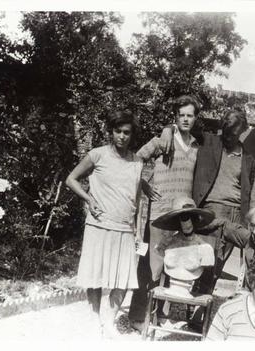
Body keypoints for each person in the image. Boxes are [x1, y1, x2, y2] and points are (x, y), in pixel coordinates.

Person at [65, 110, 143, 332]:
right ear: (111, 132)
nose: (122, 136)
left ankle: (109, 322)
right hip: (99, 225)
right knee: (95, 275)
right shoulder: (97, 155)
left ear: (132, 134)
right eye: (117, 131)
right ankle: (94, 319)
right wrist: (89, 198)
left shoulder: (137, 162)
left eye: (126, 132)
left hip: (124, 228)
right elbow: (70, 179)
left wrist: (136, 229)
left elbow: (137, 198)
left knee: (123, 279)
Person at [128, 95, 202, 331]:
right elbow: (133, 160)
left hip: (182, 215)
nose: (186, 119)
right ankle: (138, 317)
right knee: (152, 266)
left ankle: (160, 314)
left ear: (196, 118)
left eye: (190, 115)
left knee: (173, 267)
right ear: (175, 117)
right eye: (181, 115)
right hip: (159, 213)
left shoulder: (197, 147)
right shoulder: (163, 140)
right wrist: (144, 185)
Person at [191, 109, 255, 296]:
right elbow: (189, 127)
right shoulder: (210, 142)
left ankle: (200, 312)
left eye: (234, 134)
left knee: (217, 266)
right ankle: (194, 303)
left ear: (243, 131)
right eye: (226, 133)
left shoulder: (248, 157)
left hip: (235, 212)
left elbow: (248, 188)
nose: (228, 138)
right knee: (204, 261)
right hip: (210, 209)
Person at [152, 197, 215, 298]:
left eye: (189, 217)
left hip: (187, 289)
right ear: (176, 220)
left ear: (195, 219)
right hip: (171, 287)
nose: (186, 222)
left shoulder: (205, 248)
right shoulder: (166, 243)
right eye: (182, 217)